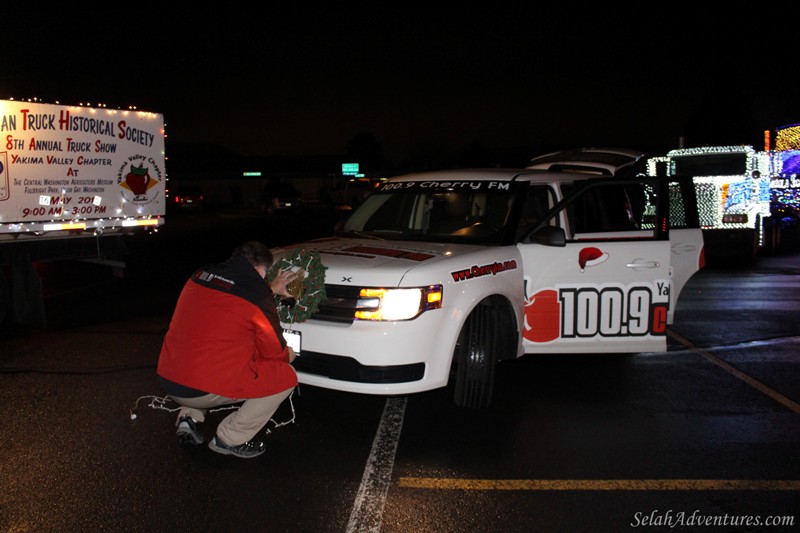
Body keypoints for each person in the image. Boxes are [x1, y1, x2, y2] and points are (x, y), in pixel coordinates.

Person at [157, 241, 299, 459]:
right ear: (262, 269)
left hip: (169, 379)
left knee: (203, 348)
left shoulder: (200, 275)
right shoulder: (257, 295)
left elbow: (229, 300)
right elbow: (273, 353)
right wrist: (287, 354)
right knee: (285, 377)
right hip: (201, 391)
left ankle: (190, 419)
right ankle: (229, 438)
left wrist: (267, 289)